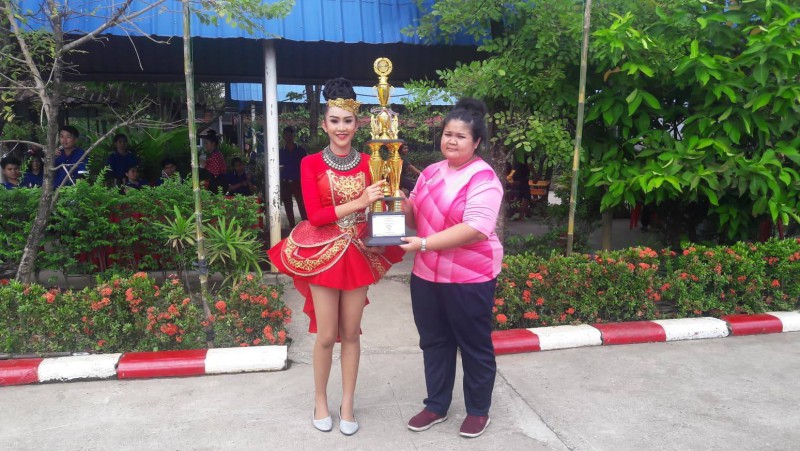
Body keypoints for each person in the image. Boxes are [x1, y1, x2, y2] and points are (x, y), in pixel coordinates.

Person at [267, 77, 404, 436]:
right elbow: (315, 216)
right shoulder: (310, 163)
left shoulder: (372, 162)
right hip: (323, 252)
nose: (341, 128)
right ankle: (320, 401)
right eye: (334, 121)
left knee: (352, 333)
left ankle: (347, 404)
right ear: (325, 124)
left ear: (358, 124)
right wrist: (360, 201)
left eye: (347, 121)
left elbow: (381, 209)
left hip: (357, 252)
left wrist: (390, 210)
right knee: (327, 335)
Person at [398, 98, 504, 439]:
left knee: (473, 344)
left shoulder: (483, 178)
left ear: (476, 142)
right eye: (447, 134)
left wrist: (424, 244)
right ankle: (436, 405)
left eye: (461, 136)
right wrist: (399, 202)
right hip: (427, 275)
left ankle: (478, 410)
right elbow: (416, 219)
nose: (452, 141)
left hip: (469, 277)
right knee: (433, 341)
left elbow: (476, 228)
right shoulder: (430, 173)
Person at [279, 125, 308, 228]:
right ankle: (292, 226)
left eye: (289, 135)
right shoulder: (281, 151)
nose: (288, 137)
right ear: (283, 136)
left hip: (298, 182)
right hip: (285, 182)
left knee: (302, 204)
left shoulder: (300, 150)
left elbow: (306, 166)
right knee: (288, 205)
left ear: (293, 135)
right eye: (285, 135)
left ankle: (306, 226)